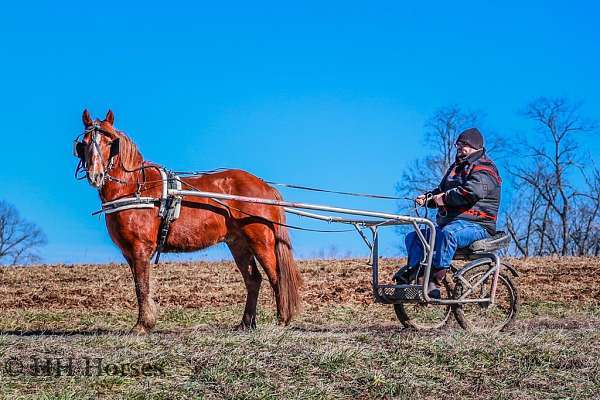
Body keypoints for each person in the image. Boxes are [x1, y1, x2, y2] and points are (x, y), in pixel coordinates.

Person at [394, 128, 501, 298]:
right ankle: (415, 276)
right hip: (452, 223)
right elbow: (442, 191)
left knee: (448, 234)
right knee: (414, 237)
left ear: (475, 146)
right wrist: (428, 198)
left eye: (463, 145)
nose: (459, 148)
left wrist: (443, 198)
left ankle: (434, 282)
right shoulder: (456, 167)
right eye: (458, 145)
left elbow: (471, 192)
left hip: (478, 225)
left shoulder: (485, 169)